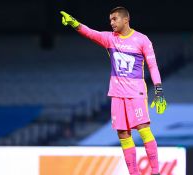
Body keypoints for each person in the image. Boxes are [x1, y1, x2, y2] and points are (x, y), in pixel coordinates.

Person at [60, 6, 167, 175]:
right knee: (123, 134)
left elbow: (153, 66)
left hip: (136, 92)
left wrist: (159, 91)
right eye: (110, 20)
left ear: (126, 19)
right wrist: (75, 23)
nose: (111, 23)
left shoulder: (142, 40)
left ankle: (155, 171)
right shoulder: (110, 39)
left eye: (114, 19)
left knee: (143, 128)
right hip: (117, 94)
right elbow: (90, 32)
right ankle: (134, 173)